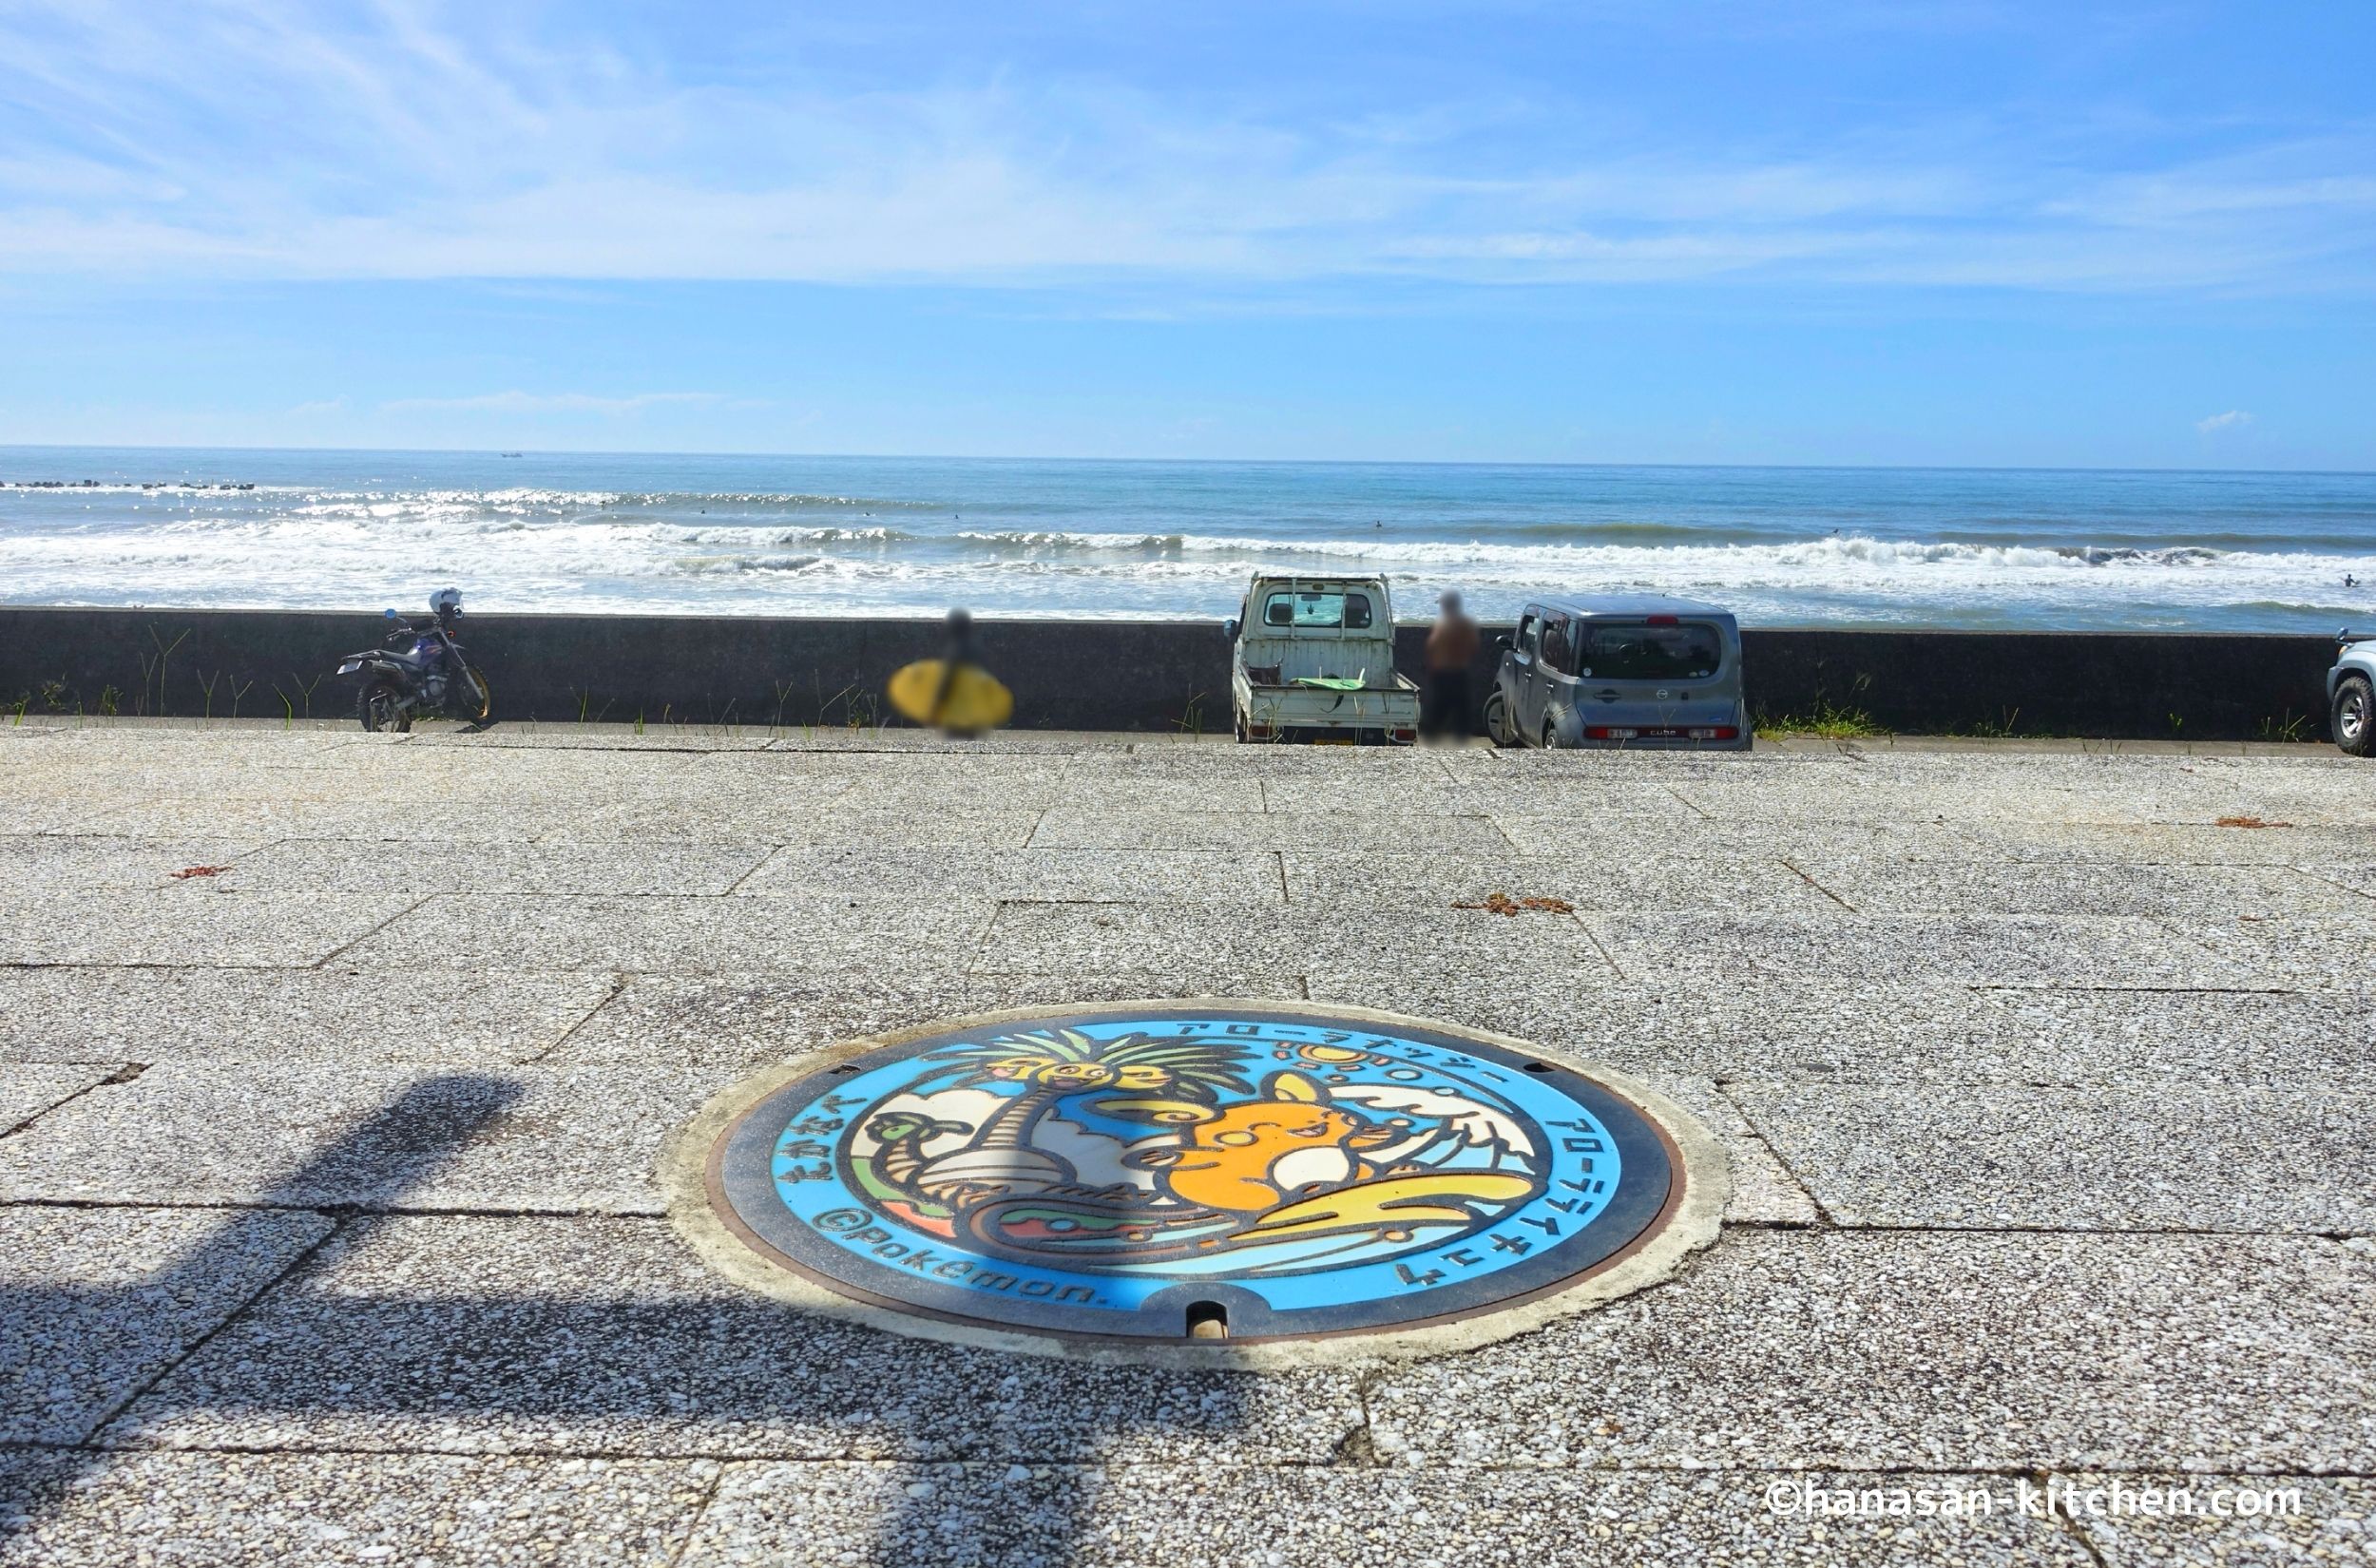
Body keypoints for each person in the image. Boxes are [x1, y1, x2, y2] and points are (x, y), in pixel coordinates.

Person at [1421, 591, 1481, 741]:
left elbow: (1432, 647)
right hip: (1459, 673)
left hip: (1444, 675)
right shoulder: (1465, 623)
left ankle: (1433, 743)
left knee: (1436, 716)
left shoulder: (1443, 624)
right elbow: (1474, 646)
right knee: (1461, 717)